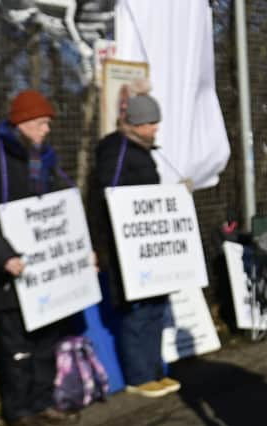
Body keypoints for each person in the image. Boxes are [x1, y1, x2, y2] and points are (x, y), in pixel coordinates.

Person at [0, 90, 80, 426]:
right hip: (11, 275)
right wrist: (5, 257)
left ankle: (43, 401)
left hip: (47, 274)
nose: (46, 130)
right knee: (17, 345)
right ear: (24, 123)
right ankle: (19, 411)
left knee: (46, 341)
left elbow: (64, 211)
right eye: (42, 123)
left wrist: (80, 248)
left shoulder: (48, 161)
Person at [93, 93, 181, 398]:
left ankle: (155, 370)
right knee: (138, 312)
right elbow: (110, 196)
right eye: (151, 123)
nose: (156, 129)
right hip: (128, 248)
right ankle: (139, 376)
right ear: (137, 123)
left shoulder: (142, 151)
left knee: (156, 308)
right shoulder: (116, 151)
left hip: (148, 244)